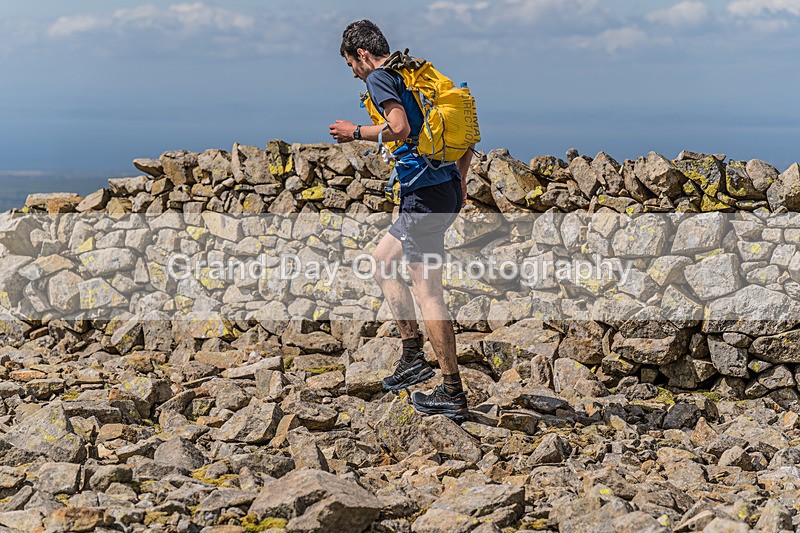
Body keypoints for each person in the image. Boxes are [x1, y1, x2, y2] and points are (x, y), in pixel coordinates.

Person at [329, 20, 474, 421]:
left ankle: (452, 391)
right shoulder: (416, 72)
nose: (355, 74)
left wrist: (355, 131)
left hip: (424, 198)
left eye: (350, 65)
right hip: (441, 187)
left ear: (360, 54)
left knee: (429, 293)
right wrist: (460, 182)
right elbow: (467, 134)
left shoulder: (379, 77)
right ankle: (412, 356)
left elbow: (400, 128)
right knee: (381, 261)